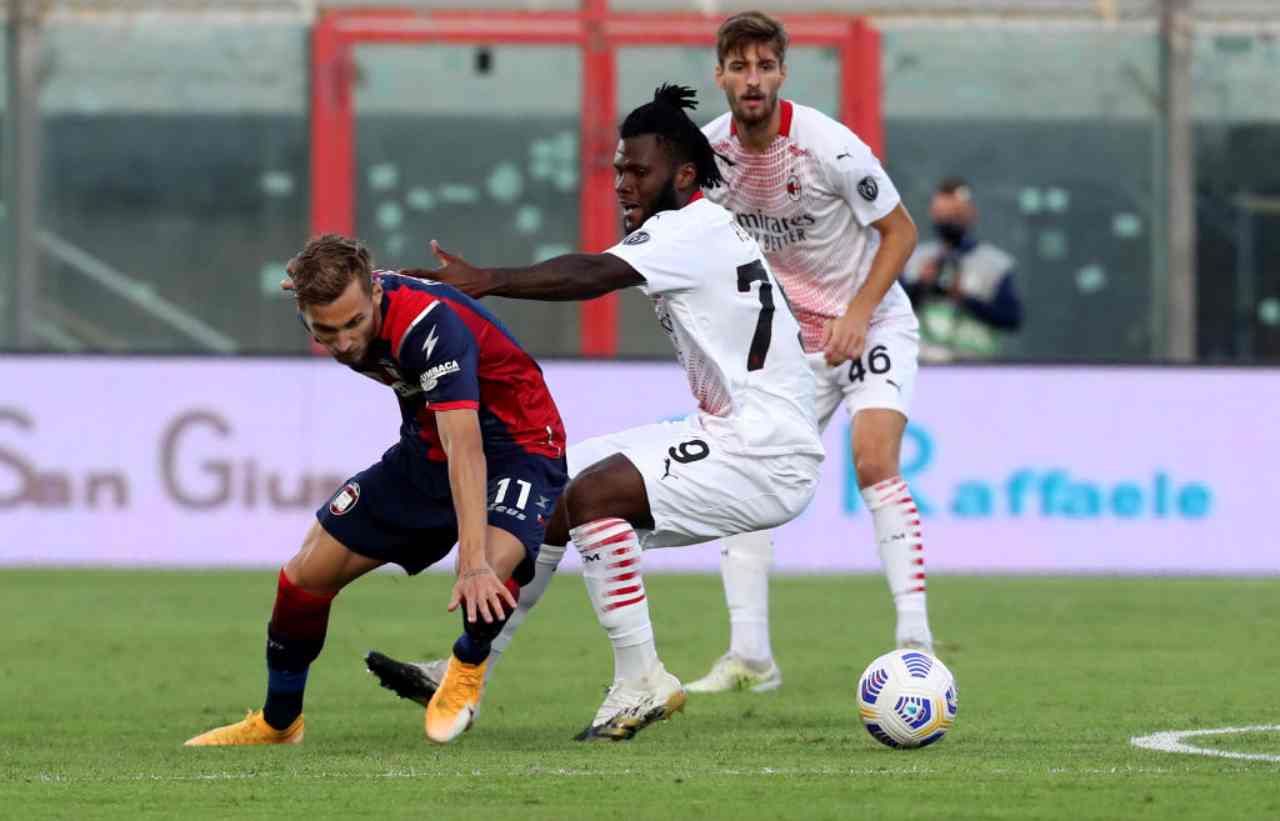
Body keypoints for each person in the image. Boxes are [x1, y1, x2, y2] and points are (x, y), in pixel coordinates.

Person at [378, 84, 824, 741]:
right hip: (735, 432)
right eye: (619, 169)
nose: (623, 183)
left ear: (685, 174)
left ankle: (640, 680)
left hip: (766, 450)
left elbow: (590, 275)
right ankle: (467, 665)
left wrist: (488, 280)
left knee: (595, 496)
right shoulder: (695, 227)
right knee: (557, 491)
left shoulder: (688, 228)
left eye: (639, 171)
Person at [182, 234, 568, 746]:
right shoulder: (341, 297)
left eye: (353, 324)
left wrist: (471, 562)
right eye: (325, 331)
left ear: (376, 297)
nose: (342, 342)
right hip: (428, 448)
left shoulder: (429, 328)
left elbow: (467, 450)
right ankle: (279, 723)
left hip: (519, 445)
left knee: (490, 567)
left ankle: (466, 671)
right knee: (304, 576)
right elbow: (444, 443)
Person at [674, 10, 934, 694]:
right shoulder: (705, 157)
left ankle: (916, 639)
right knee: (745, 484)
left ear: (782, 73)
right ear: (720, 74)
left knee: (873, 458)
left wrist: (858, 310)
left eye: (765, 66)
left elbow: (901, 233)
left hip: (869, 323)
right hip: (790, 346)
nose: (752, 79)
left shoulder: (829, 145)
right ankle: (750, 657)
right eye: (739, 67)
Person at [901, 177, 1023, 363]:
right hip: (922, 365)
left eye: (956, 214)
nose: (949, 221)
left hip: (976, 368)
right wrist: (921, 285)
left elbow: (1011, 318)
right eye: (943, 214)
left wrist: (964, 298)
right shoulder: (914, 259)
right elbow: (890, 311)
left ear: (972, 213)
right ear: (933, 214)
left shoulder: (994, 264)